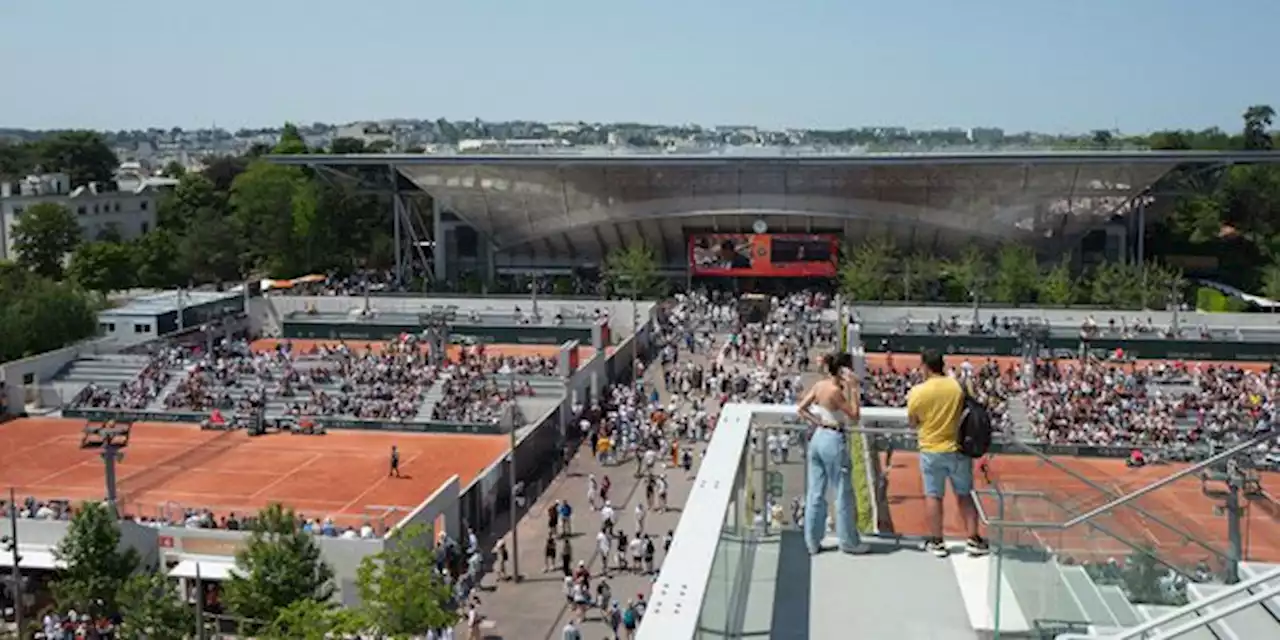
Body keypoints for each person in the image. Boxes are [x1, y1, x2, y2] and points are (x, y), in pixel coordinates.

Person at [907, 349, 988, 558]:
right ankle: (973, 539)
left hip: (931, 450)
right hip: (958, 450)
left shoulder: (917, 392)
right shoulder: (956, 386)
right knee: (964, 495)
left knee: (934, 496)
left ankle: (937, 541)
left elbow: (913, 422)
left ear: (925, 366)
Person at [796, 352, 869, 555]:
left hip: (819, 436)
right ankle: (848, 541)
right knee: (843, 492)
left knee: (816, 491)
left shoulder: (820, 386)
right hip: (834, 438)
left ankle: (812, 540)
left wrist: (817, 421)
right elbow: (854, 416)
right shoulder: (836, 391)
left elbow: (801, 408)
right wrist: (854, 389)